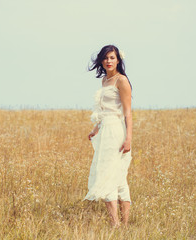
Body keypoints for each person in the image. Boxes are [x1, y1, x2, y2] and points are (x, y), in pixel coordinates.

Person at [84, 45, 133, 227]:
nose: (109, 61)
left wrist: (128, 138)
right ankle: (118, 225)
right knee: (112, 175)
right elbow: (105, 110)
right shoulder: (105, 80)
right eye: (105, 58)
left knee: (113, 174)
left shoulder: (122, 81)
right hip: (105, 130)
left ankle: (120, 224)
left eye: (112, 58)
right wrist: (96, 128)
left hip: (117, 132)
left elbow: (127, 113)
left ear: (118, 60)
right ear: (101, 61)